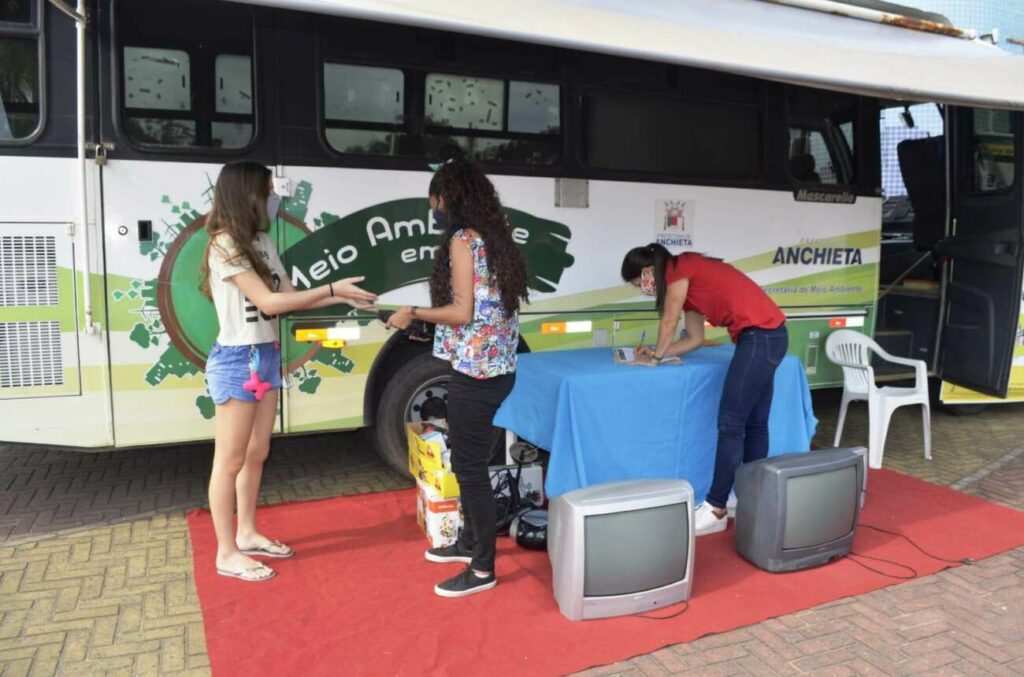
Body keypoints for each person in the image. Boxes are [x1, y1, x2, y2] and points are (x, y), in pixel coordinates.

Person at [200, 161, 377, 582]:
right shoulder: (224, 244)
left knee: (257, 452)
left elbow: (292, 297)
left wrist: (342, 298)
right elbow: (269, 303)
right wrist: (332, 288)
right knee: (229, 460)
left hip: (266, 355)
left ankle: (246, 533)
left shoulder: (260, 241)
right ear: (246, 194)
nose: (273, 199)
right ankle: (226, 552)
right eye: (267, 191)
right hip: (237, 359)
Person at [387, 155, 529, 598]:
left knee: (469, 468)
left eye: (434, 200)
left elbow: (462, 311)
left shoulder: (463, 240)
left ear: (447, 197)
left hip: (477, 374)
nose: (433, 208)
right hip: (496, 368)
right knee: (472, 463)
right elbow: (481, 310)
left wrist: (413, 312)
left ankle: (482, 569)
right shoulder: (493, 236)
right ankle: (468, 542)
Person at [621, 244, 788, 536]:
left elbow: (669, 320)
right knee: (755, 424)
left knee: (731, 424)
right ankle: (752, 500)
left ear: (648, 272)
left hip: (760, 338)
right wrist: (657, 352)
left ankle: (716, 508)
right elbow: (694, 339)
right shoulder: (688, 281)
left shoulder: (677, 270)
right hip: (769, 337)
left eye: (638, 283)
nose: (642, 289)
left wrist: (656, 358)